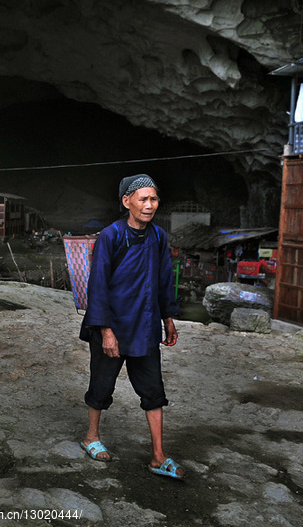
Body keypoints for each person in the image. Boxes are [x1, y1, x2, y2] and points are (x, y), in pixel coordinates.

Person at [78, 173, 184, 479]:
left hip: (146, 326)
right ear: (127, 202)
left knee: (153, 391)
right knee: (102, 384)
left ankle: (158, 455)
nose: (149, 205)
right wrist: (106, 331)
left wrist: (168, 318)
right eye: (143, 199)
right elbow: (97, 286)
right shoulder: (110, 237)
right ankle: (91, 437)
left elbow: (164, 280)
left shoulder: (159, 237)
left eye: (153, 199)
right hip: (114, 327)